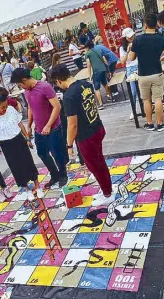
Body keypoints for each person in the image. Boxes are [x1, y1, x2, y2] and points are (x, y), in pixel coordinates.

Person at [50, 64, 114, 206]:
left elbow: (72, 124)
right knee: (99, 161)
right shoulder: (85, 84)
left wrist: (69, 145)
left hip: (86, 136)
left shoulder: (68, 96)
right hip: (97, 127)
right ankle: (106, 188)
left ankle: (107, 193)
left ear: (58, 81)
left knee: (95, 165)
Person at [10, 68, 68, 188]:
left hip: (53, 128)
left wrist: (48, 125)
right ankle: (54, 174)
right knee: (42, 153)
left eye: (20, 84)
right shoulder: (26, 91)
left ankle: (63, 175)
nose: (20, 87)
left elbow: (57, 107)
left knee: (57, 153)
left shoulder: (44, 87)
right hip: (39, 129)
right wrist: (29, 125)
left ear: (24, 80)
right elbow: (31, 108)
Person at [0, 93, 44, 200]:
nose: (5, 109)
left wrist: (27, 138)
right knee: (17, 167)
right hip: (7, 145)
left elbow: (20, 124)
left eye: (6, 105)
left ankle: (37, 185)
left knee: (28, 162)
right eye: (2, 107)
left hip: (19, 140)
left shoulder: (11, 110)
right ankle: (27, 189)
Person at [128, 13, 164, 132]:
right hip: (157, 72)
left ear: (145, 25)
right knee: (158, 99)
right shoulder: (161, 38)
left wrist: (132, 49)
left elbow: (131, 58)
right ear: (156, 24)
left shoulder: (138, 40)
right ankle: (160, 124)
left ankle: (150, 124)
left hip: (143, 75)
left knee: (146, 100)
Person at [85, 40, 113, 109]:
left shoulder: (88, 54)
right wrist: (108, 70)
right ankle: (110, 98)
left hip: (96, 72)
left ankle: (101, 104)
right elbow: (105, 61)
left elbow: (89, 65)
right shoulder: (99, 50)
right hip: (103, 69)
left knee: (96, 88)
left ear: (87, 47)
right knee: (105, 84)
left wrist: (89, 76)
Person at [120, 28, 139, 120]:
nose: (131, 38)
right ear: (125, 38)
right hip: (130, 68)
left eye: (132, 36)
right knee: (133, 91)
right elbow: (123, 62)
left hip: (139, 66)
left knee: (145, 89)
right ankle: (133, 110)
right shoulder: (122, 48)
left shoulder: (137, 42)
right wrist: (127, 51)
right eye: (129, 37)